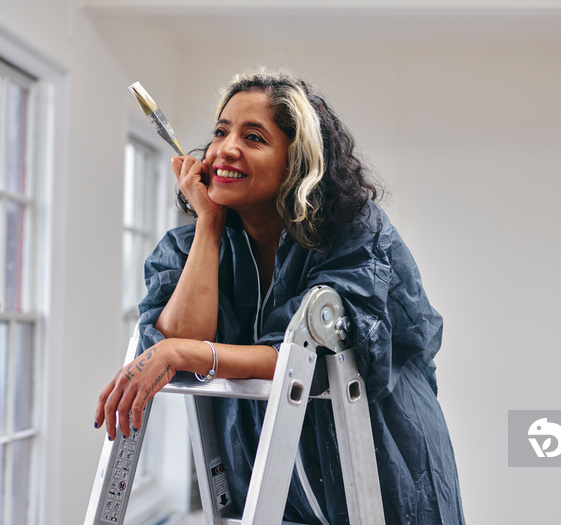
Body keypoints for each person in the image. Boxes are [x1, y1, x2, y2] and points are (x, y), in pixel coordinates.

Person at [95, 68, 465, 524]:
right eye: (220, 131)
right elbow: (184, 351)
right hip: (266, 478)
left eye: (253, 137)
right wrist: (209, 223)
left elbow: (312, 360)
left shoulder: (355, 234)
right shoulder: (187, 248)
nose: (225, 148)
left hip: (379, 470)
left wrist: (182, 351)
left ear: (298, 161)